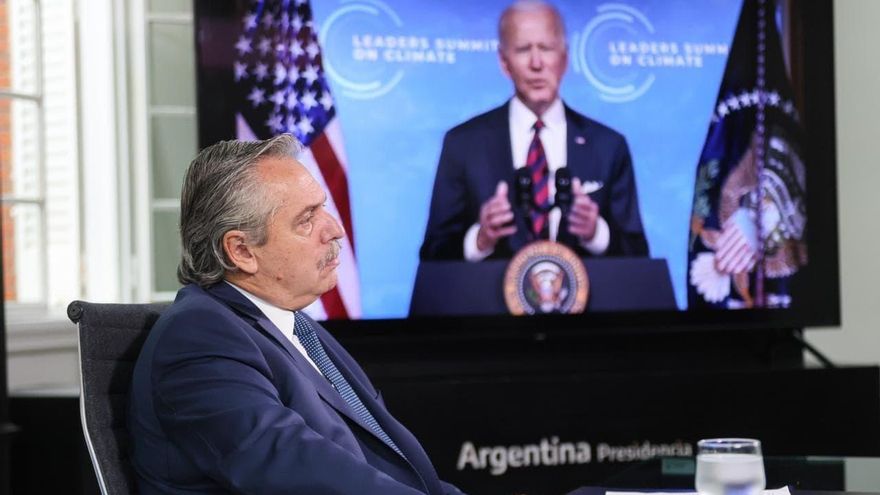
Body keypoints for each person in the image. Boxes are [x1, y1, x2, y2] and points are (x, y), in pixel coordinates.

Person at [128, 135, 466, 495]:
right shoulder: (198, 337)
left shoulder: (294, 325)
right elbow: (297, 472)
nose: (334, 229)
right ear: (241, 251)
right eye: (307, 219)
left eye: (322, 208)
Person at [420, 0, 649, 261]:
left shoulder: (608, 146)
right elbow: (432, 256)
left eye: (546, 48)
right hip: (487, 299)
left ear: (564, 59)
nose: (537, 63)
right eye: (523, 49)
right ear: (504, 62)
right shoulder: (463, 144)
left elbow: (638, 255)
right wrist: (481, 239)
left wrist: (595, 233)